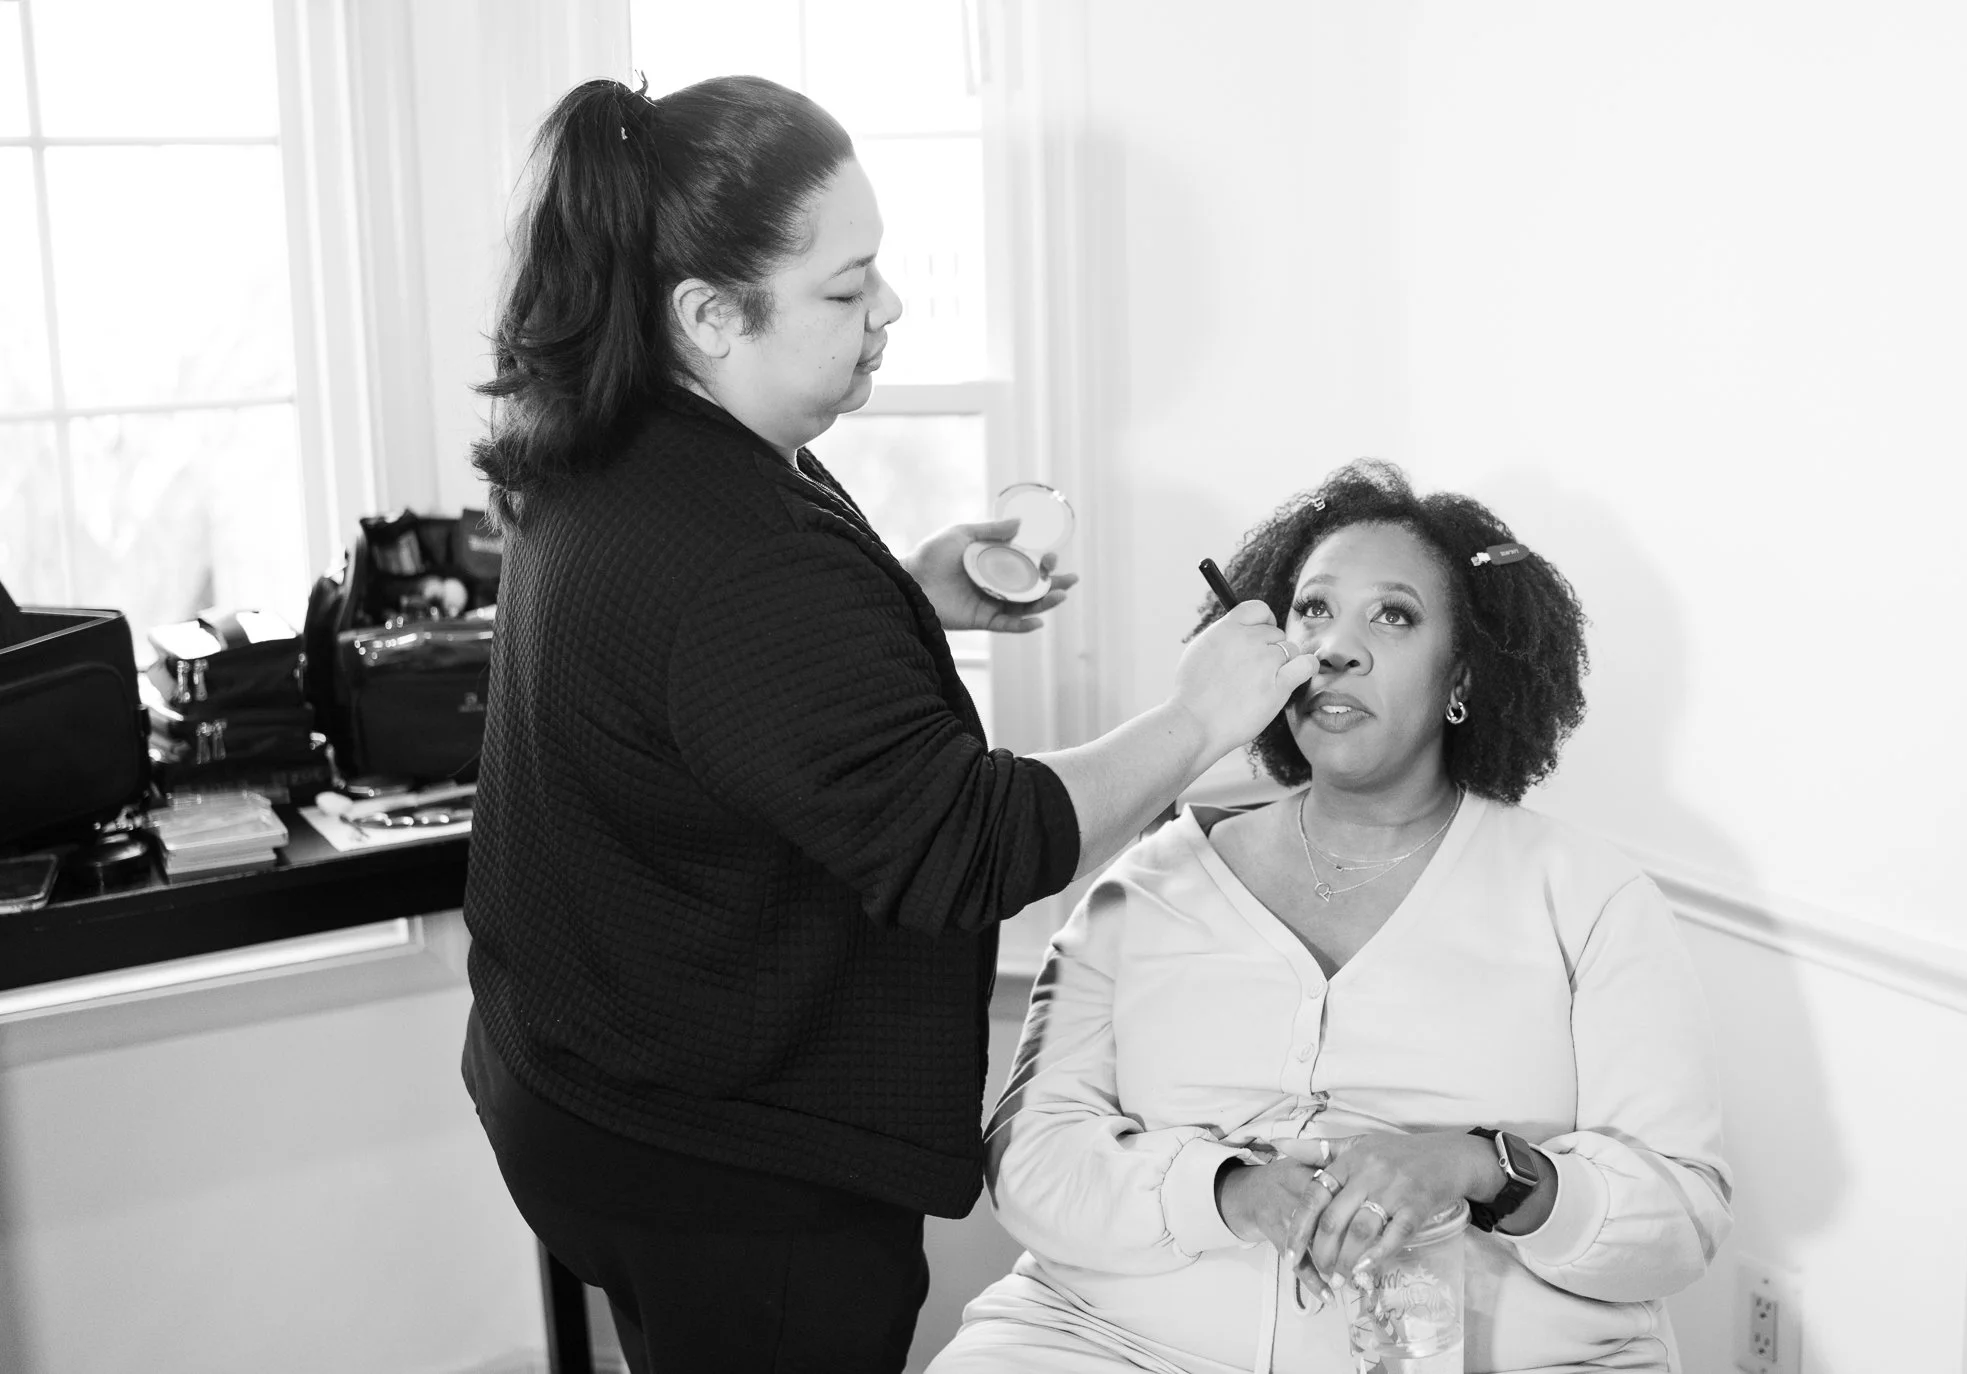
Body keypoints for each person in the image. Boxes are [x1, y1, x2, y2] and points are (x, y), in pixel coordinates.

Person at [458, 75, 1318, 1374]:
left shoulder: (611, 439)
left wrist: (903, 596)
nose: (890, 308)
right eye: (847, 289)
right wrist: (1199, 716)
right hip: (724, 1167)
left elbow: (710, 692)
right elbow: (970, 844)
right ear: (708, 315)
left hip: (576, 1085)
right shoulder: (741, 554)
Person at [929, 462, 1732, 1374]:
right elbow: (1032, 1161)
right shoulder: (1147, 886)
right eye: (1313, 610)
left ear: (1463, 673)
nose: (1336, 648)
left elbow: (1679, 1220)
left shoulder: (1586, 897)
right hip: (1106, 1344)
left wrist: (1482, 1167)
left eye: (1393, 616)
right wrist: (1224, 1192)